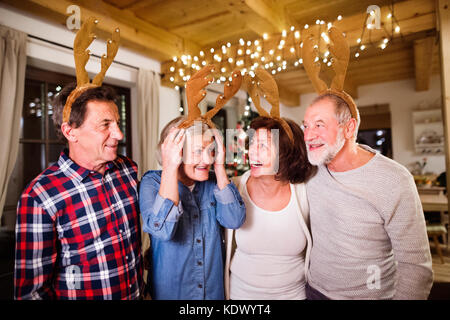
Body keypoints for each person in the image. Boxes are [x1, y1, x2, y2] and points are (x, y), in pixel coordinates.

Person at [14, 83, 142, 299]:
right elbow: (32, 293)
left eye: (117, 124)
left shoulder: (127, 169)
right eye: (105, 125)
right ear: (70, 131)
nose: (119, 134)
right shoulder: (39, 197)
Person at [302, 93, 433, 299]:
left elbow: (416, 267)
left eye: (319, 125)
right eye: (306, 126)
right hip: (313, 292)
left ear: (349, 128)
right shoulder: (310, 170)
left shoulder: (394, 180)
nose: (308, 135)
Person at [139, 117, 246, 300]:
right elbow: (163, 231)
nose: (207, 159)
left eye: (211, 151)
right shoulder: (152, 182)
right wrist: (170, 167)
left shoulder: (215, 182)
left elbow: (234, 219)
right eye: (198, 151)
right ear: (175, 152)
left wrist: (220, 167)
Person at [224, 116, 317, 300]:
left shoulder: (305, 191)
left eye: (263, 146)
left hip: (293, 296)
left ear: (286, 154)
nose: (251, 152)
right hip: (241, 297)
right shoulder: (234, 187)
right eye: (252, 144)